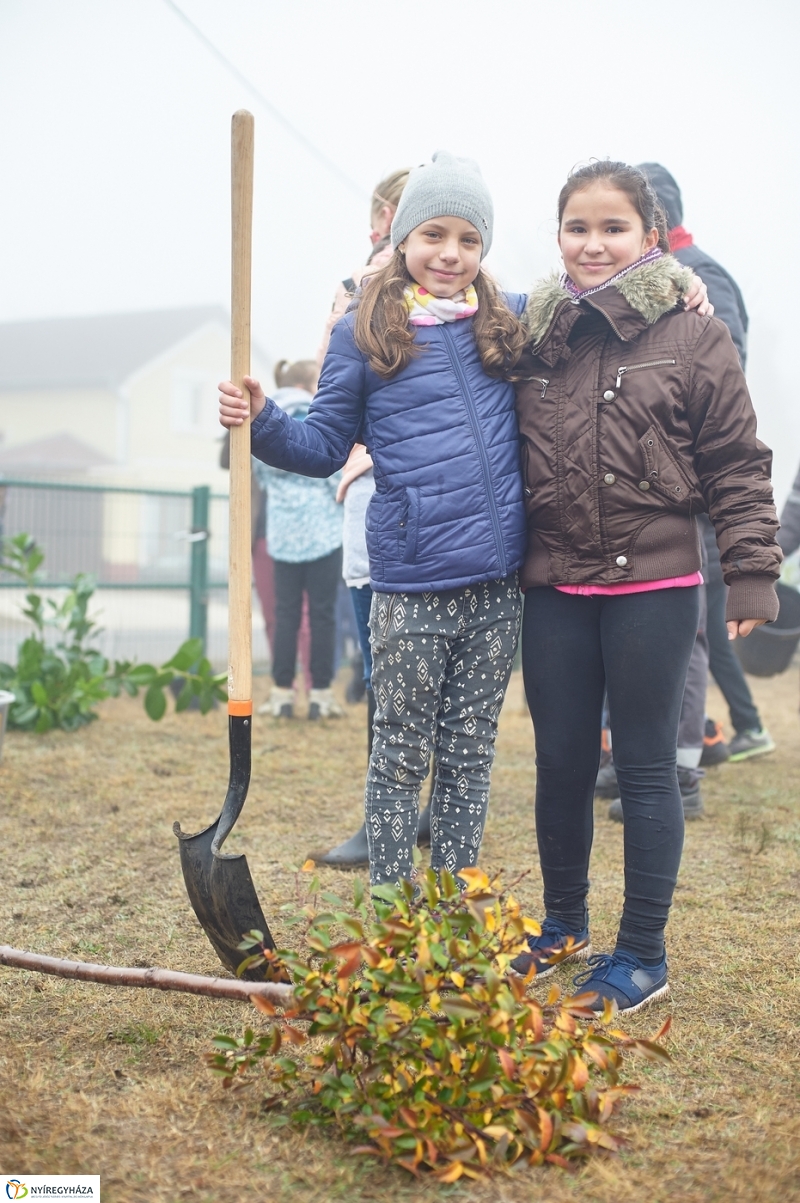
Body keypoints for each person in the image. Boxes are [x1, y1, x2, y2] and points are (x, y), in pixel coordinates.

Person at [511, 161, 781, 1013]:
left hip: (656, 583)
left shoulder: (694, 332)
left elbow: (737, 459)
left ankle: (641, 954)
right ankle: (562, 927)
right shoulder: (530, 332)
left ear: (650, 236)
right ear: (558, 236)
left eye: (613, 227)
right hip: (553, 584)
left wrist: (752, 574)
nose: (594, 244)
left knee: (644, 766)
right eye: (577, 227)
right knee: (558, 763)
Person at [220, 151, 528, 889]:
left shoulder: (509, 318)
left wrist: (678, 290)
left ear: (483, 248)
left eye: (468, 240)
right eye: (433, 235)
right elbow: (323, 445)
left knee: (468, 753)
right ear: (401, 237)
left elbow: (598, 313)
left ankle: (455, 910)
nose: (450, 253)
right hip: (413, 583)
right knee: (399, 751)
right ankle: (393, 907)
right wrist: (262, 419)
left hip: (497, 584)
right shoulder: (365, 331)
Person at [642, 164, 775, 766]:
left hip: (689, 484)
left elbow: (720, 383)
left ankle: (686, 759)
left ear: (653, 222)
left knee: (699, 627)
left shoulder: (704, 279)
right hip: (661, 483)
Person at [254, 359, 344, 720]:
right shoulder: (314, 413)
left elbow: (260, 473)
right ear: (310, 384)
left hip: (283, 533)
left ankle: (281, 693)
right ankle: (320, 694)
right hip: (324, 531)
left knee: (285, 614)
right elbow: (333, 466)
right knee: (323, 615)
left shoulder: (264, 415)